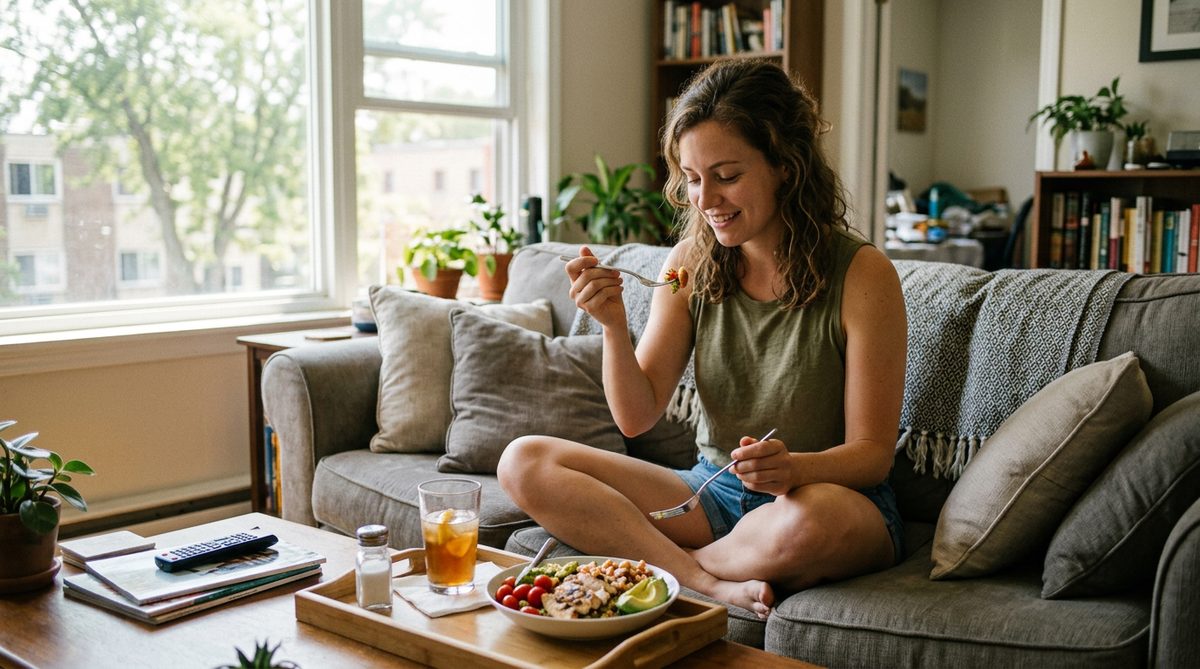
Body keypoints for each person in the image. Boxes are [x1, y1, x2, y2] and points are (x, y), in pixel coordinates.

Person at [497, 58, 907, 618]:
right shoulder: (687, 265)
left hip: (826, 497)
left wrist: (795, 469)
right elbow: (636, 417)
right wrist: (613, 324)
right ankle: (701, 578)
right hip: (714, 492)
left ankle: (661, 562)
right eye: (692, 178)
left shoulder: (863, 275)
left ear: (786, 166)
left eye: (727, 175)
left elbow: (872, 457)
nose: (705, 198)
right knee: (523, 461)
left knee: (810, 523)